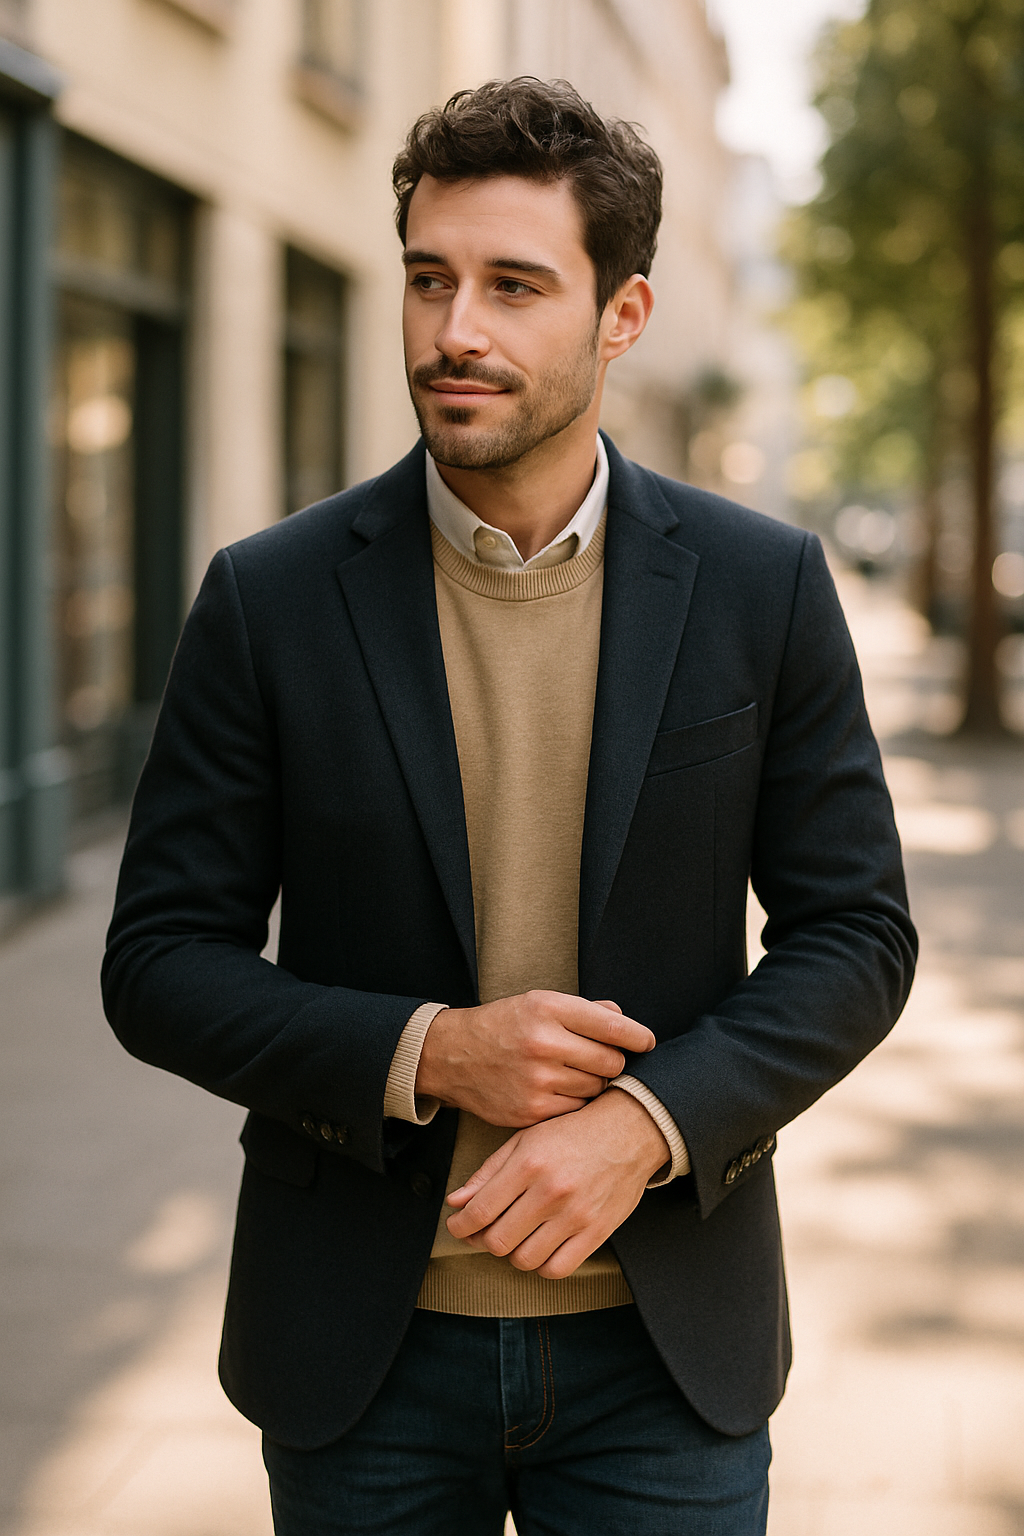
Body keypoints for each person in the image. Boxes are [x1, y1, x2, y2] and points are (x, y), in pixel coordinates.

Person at [102, 77, 916, 1535]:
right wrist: (429, 1053)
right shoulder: (268, 599)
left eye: (512, 285)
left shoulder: (762, 586)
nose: (452, 330)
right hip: (363, 1349)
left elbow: (856, 934)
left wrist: (651, 1123)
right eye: (429, 279)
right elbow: (158, 964)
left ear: (624, 315)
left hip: (663, 1355)